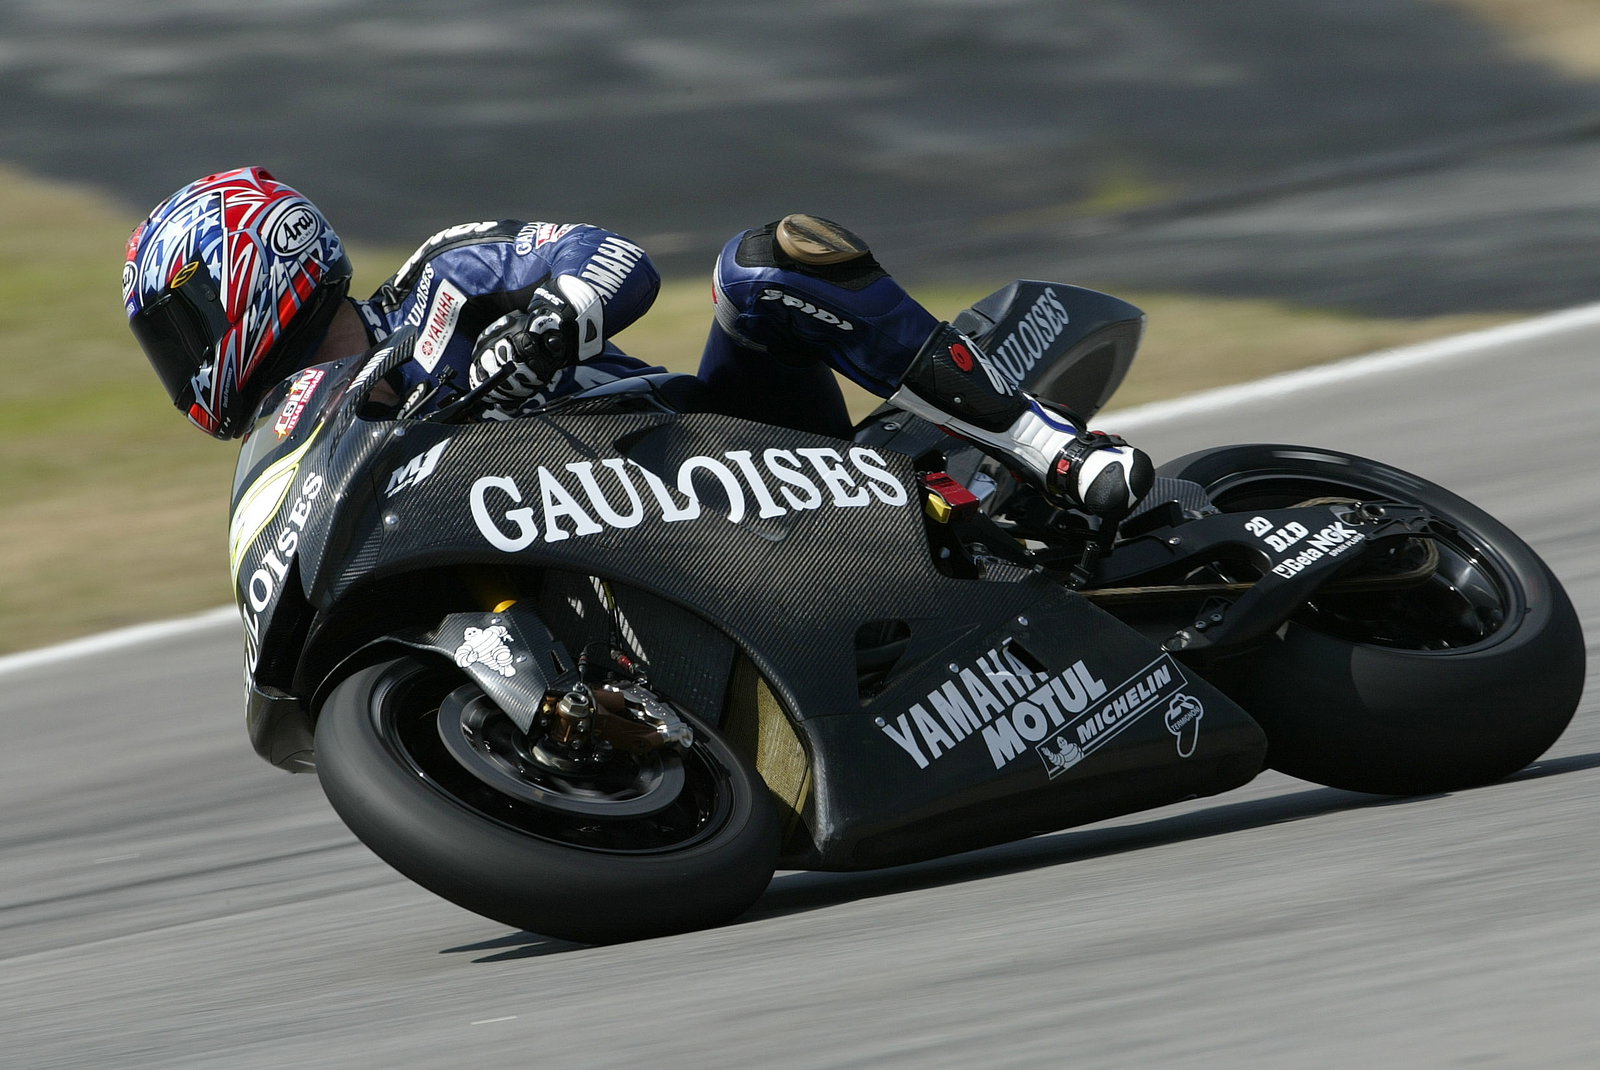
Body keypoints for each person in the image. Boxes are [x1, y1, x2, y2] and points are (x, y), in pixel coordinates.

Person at [123, 166, 1150, 517]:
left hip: (729, 448)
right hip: (620, 537)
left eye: (183, 328)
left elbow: (611, 256)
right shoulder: (310, 446)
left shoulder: (443, 272)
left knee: (763, 263)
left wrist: (550, 318)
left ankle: (1047, 445)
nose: (183, 364)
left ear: (261, 261)